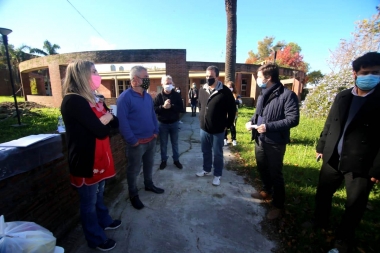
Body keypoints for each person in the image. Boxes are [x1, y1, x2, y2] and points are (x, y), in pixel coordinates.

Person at [314, 52, 380, 253]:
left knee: (355, 205)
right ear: (355, 74)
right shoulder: (342, 96)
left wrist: (377, 169)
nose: (370, 76)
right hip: (333, 156)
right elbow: (329, 123)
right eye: (365, 72)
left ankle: (343, 238)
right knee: (323, 193)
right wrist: (321, 147)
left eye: (376, 73)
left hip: (361, 163)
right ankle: (320, 222)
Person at [61, 60, 121, 251]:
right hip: (86, 162)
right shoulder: (74, 101)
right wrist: (107, 117)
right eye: (93, 72)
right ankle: (95, 238)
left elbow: (115, 123)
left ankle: (104, 221)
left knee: (99, 195)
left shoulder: (93, 99)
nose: (97, 76)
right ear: (81, 75)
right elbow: (101, 131)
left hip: (100, 159)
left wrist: (107, 116)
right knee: (88, 203)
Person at [247, 63, 299, 220]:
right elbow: (258, 115)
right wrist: (251, 122)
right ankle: (266, 190)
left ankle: (278, 204)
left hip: (275, 142)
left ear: (269, 77)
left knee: (275, 173)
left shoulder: (287, 95)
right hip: (260, 139)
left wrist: (268, 127)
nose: (257, 79)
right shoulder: (263, 94)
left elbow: (293, 119)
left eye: (259, 76)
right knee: (262, 167)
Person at [117, 65, 164, 210]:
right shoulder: (124, 98)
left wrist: (156, 132)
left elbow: (152, 115)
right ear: (135, 80)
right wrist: (133, 141)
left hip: (151, 139)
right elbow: (122, 123)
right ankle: (133, 194)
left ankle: (148, 184)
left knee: (149, 166)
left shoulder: (148, 97)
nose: (148, 80)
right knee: (134, 170)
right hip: (136, 144)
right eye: (146, 77)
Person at [196, 66, 236, 186]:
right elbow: (200, 105)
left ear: (217, 77)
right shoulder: (202, 89)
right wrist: (201, 120)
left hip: (218, 130)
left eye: (211, 77)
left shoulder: (225, 91)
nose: (208, 79)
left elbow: (232, 110)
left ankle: (217, 174)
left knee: (218, 153)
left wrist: (227, 125)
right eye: (207, 76)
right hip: (204, 129)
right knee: (205, 151)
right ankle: (206, 169)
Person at [154, 75, 184, 170]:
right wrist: (163, 107)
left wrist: (172, 106)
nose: (169, 85)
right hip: (163, 124)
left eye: (170, 83)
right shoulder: (158, 96)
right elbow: (154, 109)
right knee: (163, 144)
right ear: (162, 84)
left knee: (175, 143)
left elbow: (181, 109)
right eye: (167, 83)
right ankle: (164, 160)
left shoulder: (176, 95)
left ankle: (176, 160)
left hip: (174, 123)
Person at [224, 81, 240, 146]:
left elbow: (240, 101)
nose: (229, 88)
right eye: (228, 87)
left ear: (233, 87)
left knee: (232, 126)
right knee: (224, 126)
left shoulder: (236, 94)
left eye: (231, 87)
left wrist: (235, 101)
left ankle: (234, 139)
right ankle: (225, 139)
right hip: (225, 113)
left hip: (234, 113)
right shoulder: (224, 94)